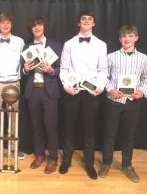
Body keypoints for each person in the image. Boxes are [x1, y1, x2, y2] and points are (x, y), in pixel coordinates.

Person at [59, 10, 108, 179]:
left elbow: (103, 69)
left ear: (93, 23)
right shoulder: (69, 44)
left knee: (89, 130)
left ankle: (89, 163)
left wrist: (100, 86)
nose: (86, 21)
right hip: (72, 92)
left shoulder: (101, 45)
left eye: (90, 19)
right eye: (83, 19)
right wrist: (66, 86)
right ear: (78, 23)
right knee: (69, 128)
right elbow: (64, 68)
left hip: (91, 93)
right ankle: (66, 160)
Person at [98, 25, 147, 183]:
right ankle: (106, 163)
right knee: (109, 133)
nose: (127, 39)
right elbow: (104, 76)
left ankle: (127, 165)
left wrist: (142, 91)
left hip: (133, 101)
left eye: (130, 36)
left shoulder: (144, 58)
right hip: (114, 101)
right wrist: (110, 89)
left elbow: (146, 78)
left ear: (136, 38)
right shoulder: (111, 56)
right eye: (124, 36)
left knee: (129, 135)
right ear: (120, 39)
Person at [22, 17, 62, 174]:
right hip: (33, 91)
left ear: (44, 27)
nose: (36, 28)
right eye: (34, 26)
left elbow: (62, 69)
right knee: (36, 126)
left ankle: (53, 157)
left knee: (51, 126)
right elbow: (22, 72)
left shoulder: (55, 45)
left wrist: (51, 71)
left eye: (39, 25)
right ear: (31, 29)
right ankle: (39, 155)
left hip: (49, 91)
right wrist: (25, 68)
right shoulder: (27, 47)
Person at [0, 12, 25, 160]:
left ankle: (13, 147)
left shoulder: (20, 41)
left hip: (14, 83)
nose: (5, 25)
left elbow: (24, 62)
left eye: (8, 22)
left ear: (11, 25)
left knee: (13, 117)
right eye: (2, 22)